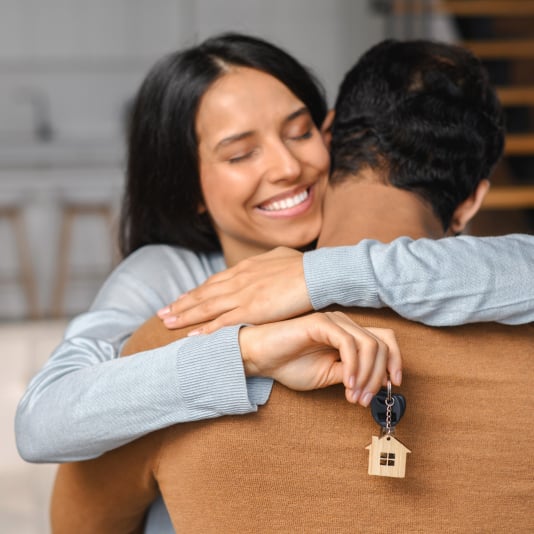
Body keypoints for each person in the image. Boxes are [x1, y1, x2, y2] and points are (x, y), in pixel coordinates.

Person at [16, 32, 533, 532]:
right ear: (191, 187)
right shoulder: (171, 288)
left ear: (329, 133)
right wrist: (245, 354)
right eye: (241, 154)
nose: (288, 167)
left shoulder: (409, 271)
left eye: (299, 132)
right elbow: (42, 422)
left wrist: (319, 274)